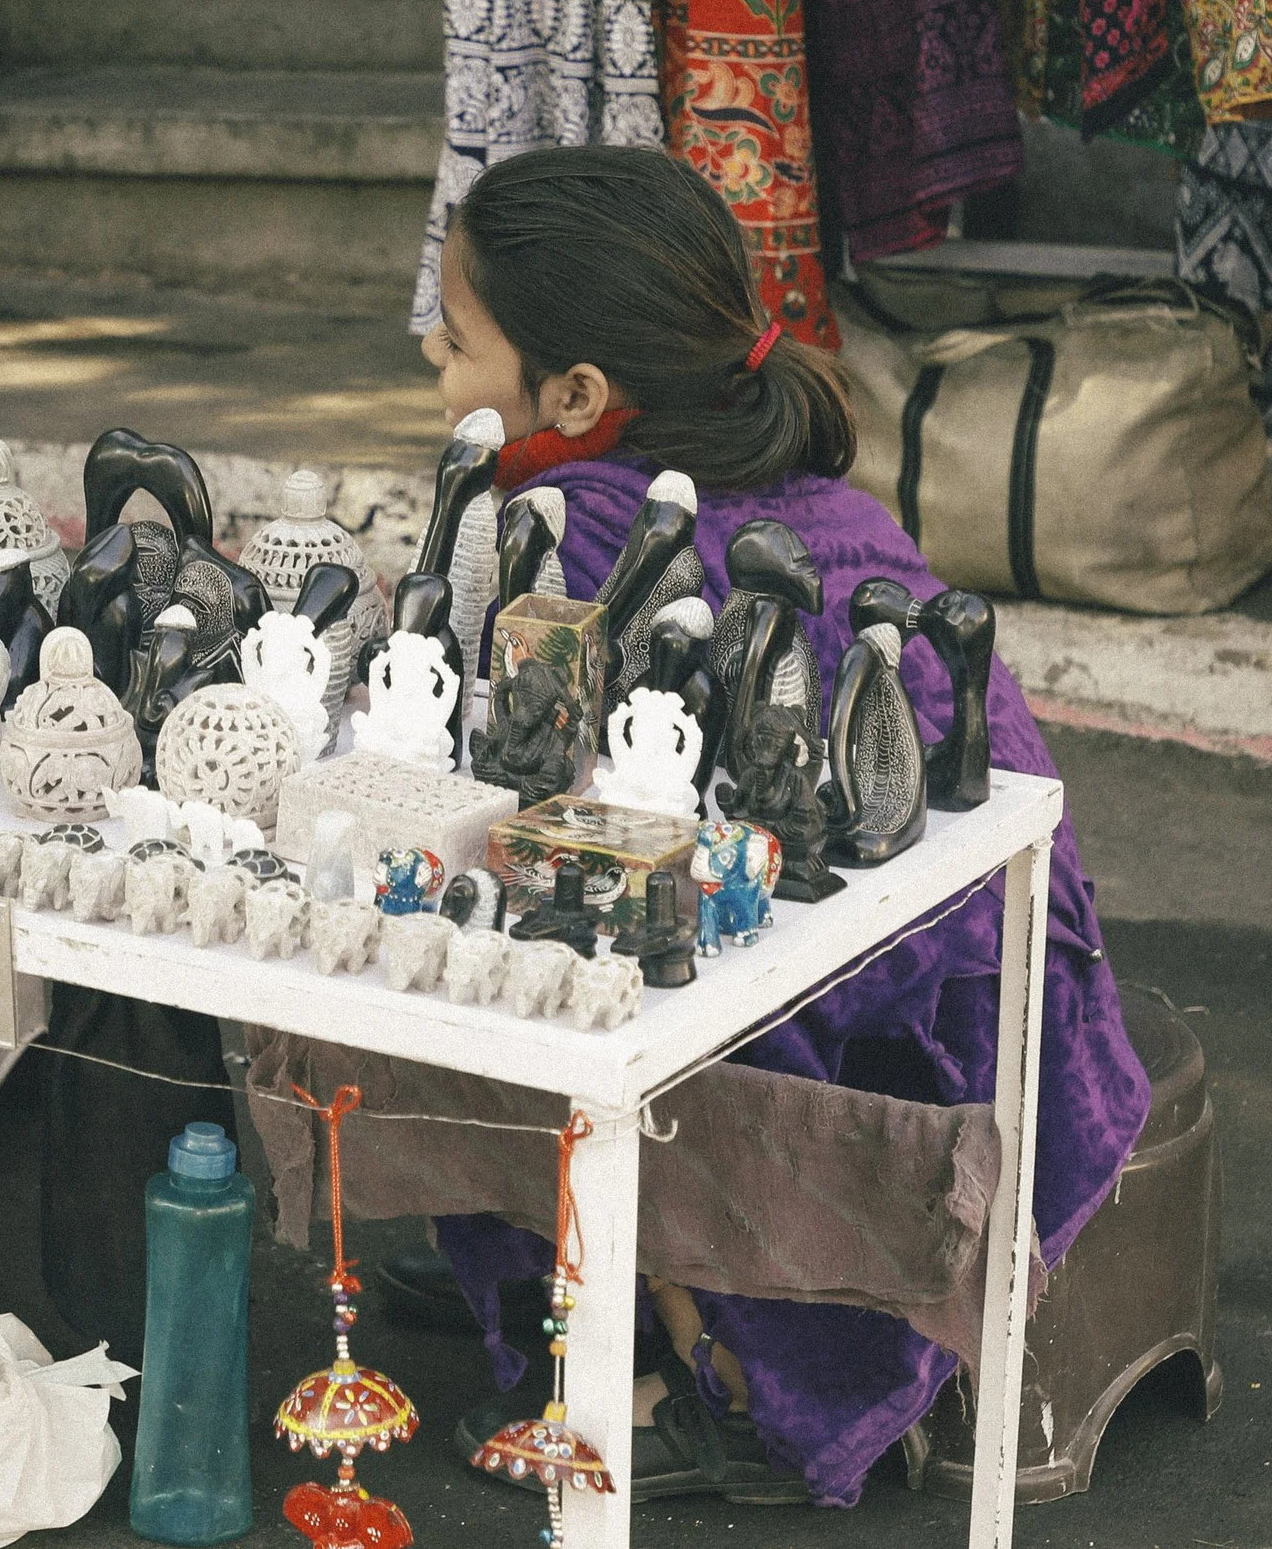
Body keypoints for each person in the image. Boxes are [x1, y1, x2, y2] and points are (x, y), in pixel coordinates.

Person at [251, 145, 1151, 1508]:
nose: (434, 368)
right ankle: (530, 1225)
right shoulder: (807, 500)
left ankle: (722, 1369)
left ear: (577, 396)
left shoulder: (579, 538)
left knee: (502, 899)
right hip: (1020, 987)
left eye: (455, 345)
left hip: (892, 1038)